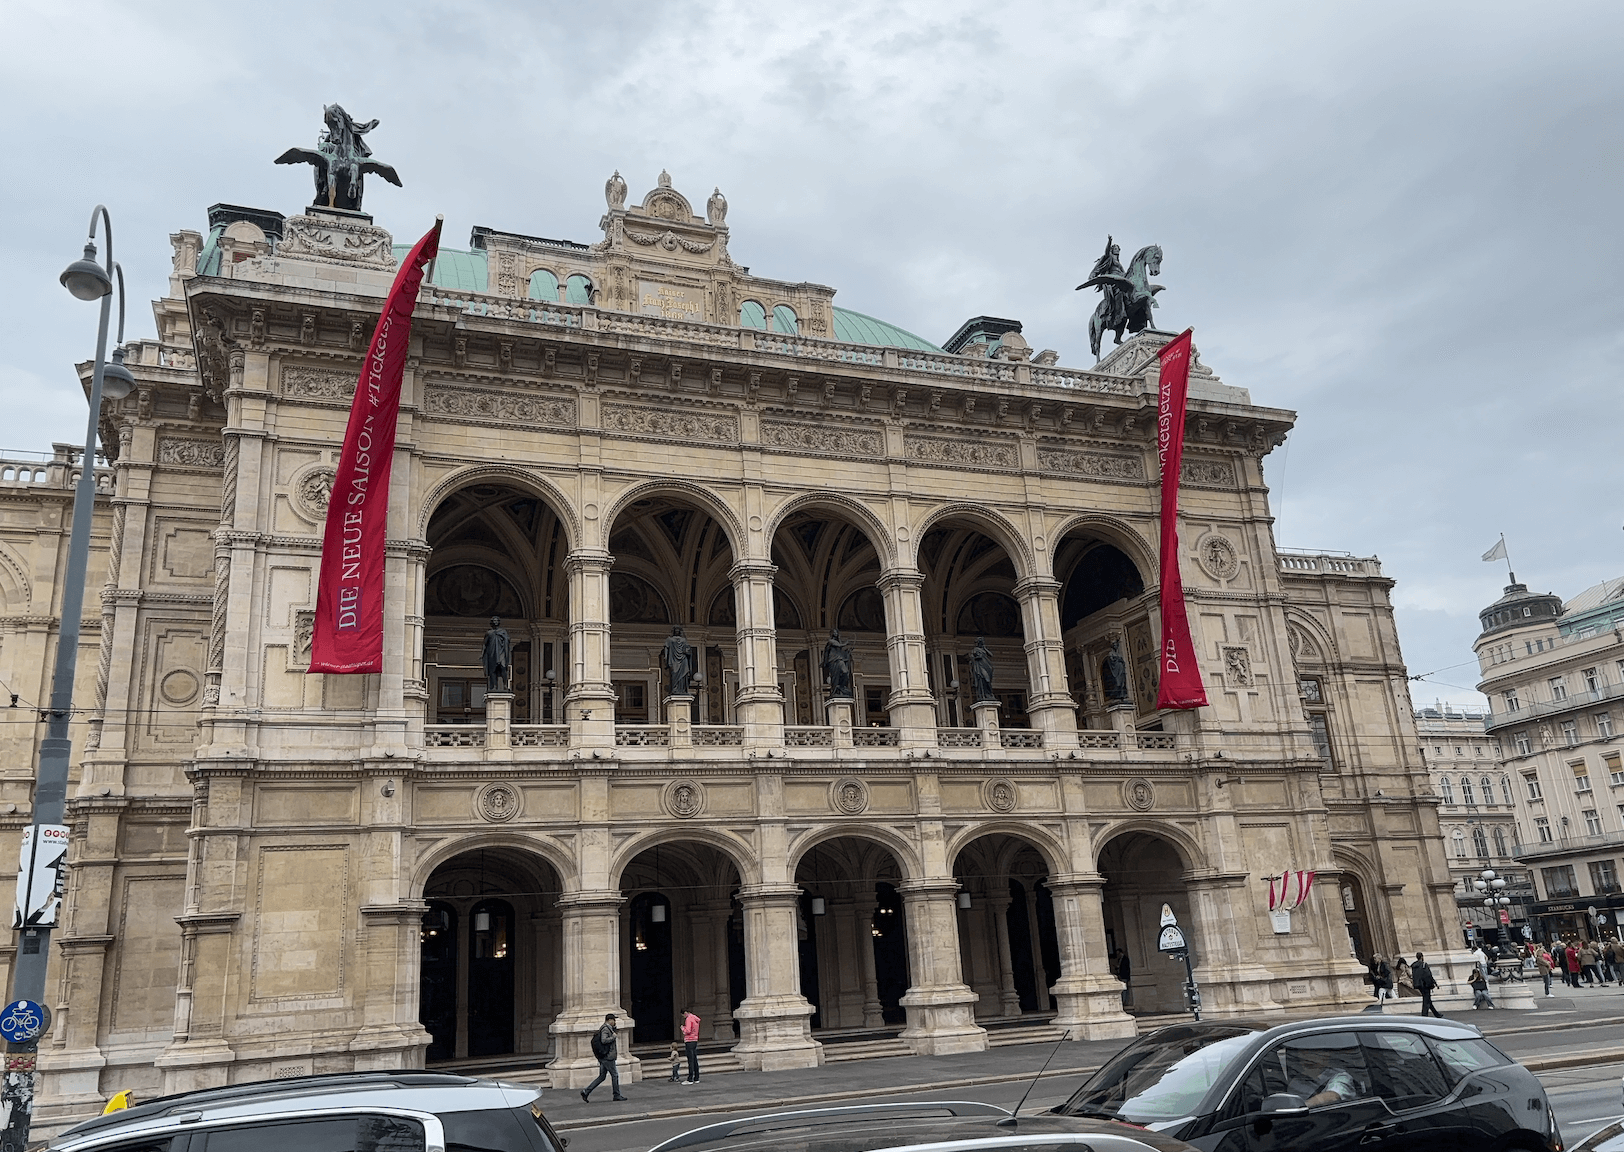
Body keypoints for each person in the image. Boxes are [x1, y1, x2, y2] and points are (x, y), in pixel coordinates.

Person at [581, 1013, 627, 1102]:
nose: (615, 1022)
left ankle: (586, 1091)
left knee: (602, 1077)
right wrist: (613, 1037)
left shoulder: (607, 1028)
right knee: (615, 1075)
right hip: (608, 1057)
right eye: (614, 1020)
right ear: (609, 1020)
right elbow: (604, 1040)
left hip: (605, 1057)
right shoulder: (606, 1029)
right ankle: (616, 1095)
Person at [1412, 952, 1442, 1018]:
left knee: (1427, 999)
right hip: (1425, 985)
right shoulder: (1424, 965)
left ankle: (1436, 1014)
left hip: (1418, 984)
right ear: (1422, 957)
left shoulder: (1414, 966)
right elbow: (1428, 975)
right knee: (1426, 1000)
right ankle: (1424, 1015)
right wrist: (1433, 983)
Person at [680, 1006, 702, 1084]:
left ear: (685, 1013)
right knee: (695, 1059)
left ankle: (690, 1078)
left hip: (689, 1040)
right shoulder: (695, 1018)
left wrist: (683, 1028)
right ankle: (696, 1077)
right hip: (695, 1039)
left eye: (683, 1015)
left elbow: (688, 1030)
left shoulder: (688, 1019)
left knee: (690, 1060)